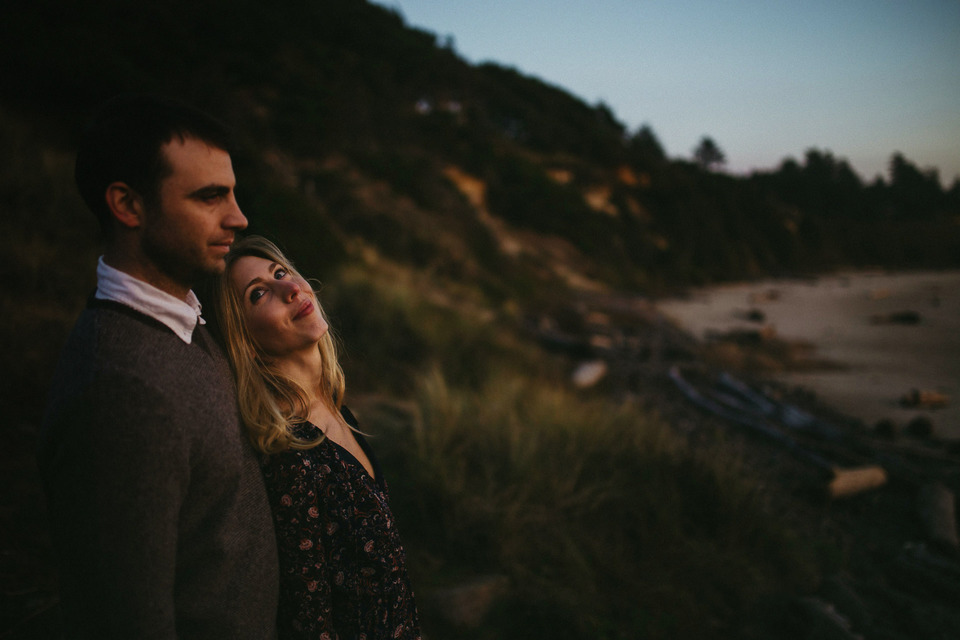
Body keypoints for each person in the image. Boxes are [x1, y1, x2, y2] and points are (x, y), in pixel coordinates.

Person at [39, 95, 279, 639]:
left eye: (233, 193)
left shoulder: (188, 324)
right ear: (128, 205)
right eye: (210, 196)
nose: (239, 218)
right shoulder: (120, 393)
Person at [213, 235, 422, 640]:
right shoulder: (292, 456)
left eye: (280, 272)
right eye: (259, 294)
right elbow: (309, 621)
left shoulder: (338, 409)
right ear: (247, 342)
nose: (291, 289)